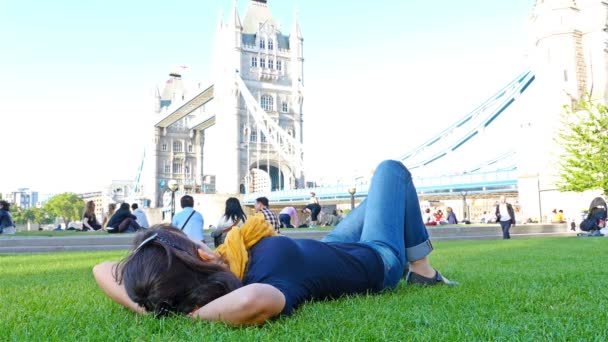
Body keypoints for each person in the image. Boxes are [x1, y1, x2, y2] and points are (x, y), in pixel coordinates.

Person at [93, 160, 457, 325]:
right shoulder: (260, 279)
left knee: (382, 197)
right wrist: (187, 318)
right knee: (391, 172)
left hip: (333, 246)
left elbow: (102, 270)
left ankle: (420, 266)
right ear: (201, 253)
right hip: (377, 260)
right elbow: (256, 301)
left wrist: (155, 306)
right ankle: (420, 270)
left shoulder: (229, 267)